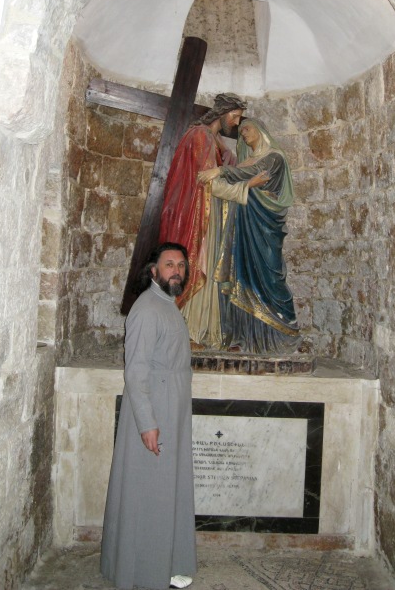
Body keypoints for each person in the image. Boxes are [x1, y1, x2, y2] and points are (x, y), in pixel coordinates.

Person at [100, 243, 196, 590]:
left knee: (166, 490)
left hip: (171, 408)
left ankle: (166, 563)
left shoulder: (167, 305)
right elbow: (136, 371)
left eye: (181, 266)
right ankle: (143, 571)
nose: (176, 271)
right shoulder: (146, 308)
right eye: (169, 264)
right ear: (154, 270)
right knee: (150, 493)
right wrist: (147, 424)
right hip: (155, 410)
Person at [199, 118, 300, 354]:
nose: (243, 133)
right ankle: (244, 336)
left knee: (271, 277)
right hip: (241, 230)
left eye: (247, 128)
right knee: (240, 277)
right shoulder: (244, 163)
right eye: (241, 130)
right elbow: (225, 185)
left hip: (265, 228)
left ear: (261, 131)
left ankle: (284, 333)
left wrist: (220, 170)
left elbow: (254, 173)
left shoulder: (274, 157)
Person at [158, 92, 246, 349]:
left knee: (206, 266)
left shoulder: (209, 137)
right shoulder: (201, 136)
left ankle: (203, 330)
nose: (236, 123)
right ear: (223, 113)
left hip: (205, 212)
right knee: (199, 264)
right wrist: (245, 188)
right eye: (235, 116)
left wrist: (229, 157)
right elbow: (207, 181)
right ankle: (190, 331)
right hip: (199, 215)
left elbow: (219, 169)